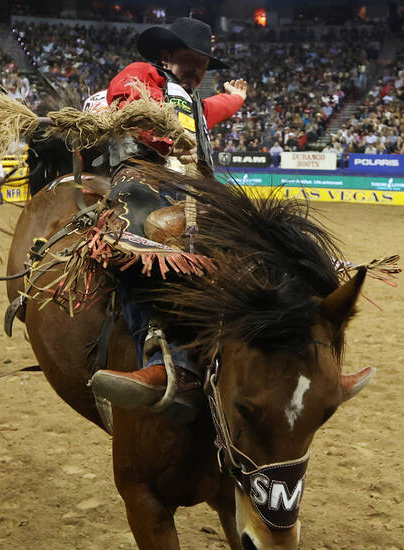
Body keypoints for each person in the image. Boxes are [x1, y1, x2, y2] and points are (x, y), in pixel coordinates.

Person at [87, 17, 247, 415]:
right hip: (142, 174)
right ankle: (161, 356)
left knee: (248, 232)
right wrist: (168, 140)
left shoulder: (190, 99)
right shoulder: (142, 74)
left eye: (204, 64)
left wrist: (237, 99)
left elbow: (212, 109)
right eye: (191, 60)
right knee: (137, 236)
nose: (197, 70)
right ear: (167, 55)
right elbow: (130, 106)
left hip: (193, 185)